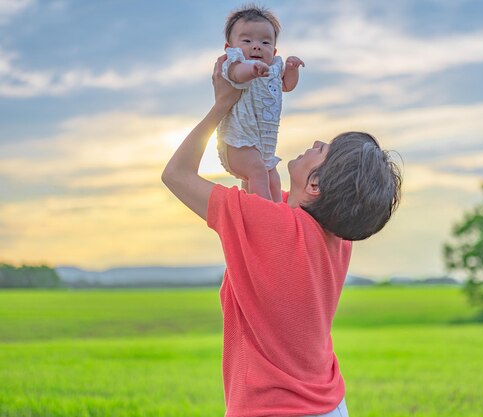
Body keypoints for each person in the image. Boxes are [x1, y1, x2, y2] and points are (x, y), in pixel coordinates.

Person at [162, 56, 401, 417]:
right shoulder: (337, 236)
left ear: (316, 184)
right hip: (329, 404)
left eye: (324, 150)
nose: (317, 142)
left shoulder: (273, 226)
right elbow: (267, 194)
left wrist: (223, 103)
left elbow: (176, 174)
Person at [218, 5, 304, 202]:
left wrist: (291, 69)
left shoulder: (273, 67)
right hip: (238, 141)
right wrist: (252, 70)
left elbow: (287, 86)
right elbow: (236, 75)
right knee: (257, 171)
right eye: (247, 40)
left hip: (263, 145)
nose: (256, 46)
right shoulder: (235, 64)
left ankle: (279, 213)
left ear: (273, 50)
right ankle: (265, 216)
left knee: (272, 178)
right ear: (230, 49)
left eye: (265, 42)